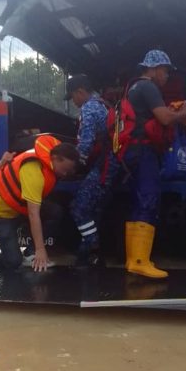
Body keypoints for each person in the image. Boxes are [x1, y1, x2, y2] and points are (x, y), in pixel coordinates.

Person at [116, 50, 186, 278]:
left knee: (138, 202)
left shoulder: (133, 87)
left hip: (132, 151)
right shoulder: (148, 87)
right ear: (153, 68)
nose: (167, 76)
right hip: (143, 151)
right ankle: (140, 261)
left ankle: (133, 261)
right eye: (165, 70)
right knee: (148, 199)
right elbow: (164, 118)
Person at [0, 134, 79, 272]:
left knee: (55, 212)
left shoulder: (49, 165)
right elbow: (34, 214)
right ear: (56, 158)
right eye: (64, 170)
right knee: (14, 262)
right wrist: (41, 250)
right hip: (0, 214)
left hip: (20, 207)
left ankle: (30, 253)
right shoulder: (34, 172)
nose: (65, 174)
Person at [64, 74, 119, 266]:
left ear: (80, 92)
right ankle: (94, 252)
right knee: (95, 209)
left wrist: (74, 166)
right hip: (114, 165)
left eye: (73, 97)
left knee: (78, 208)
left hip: (105, 166)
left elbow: (86, 143)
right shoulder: (104, 104)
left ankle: (89, 248)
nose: (74, 102)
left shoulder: (89, 108)